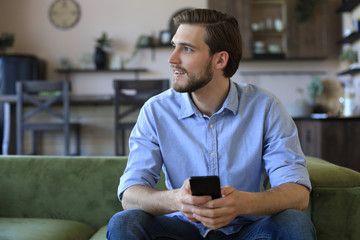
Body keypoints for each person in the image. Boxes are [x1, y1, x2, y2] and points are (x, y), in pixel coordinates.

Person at [107, 8, 316, 240]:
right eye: (174, 46)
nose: (172, 59)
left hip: (248, 231)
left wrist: (243, 203)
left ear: (220, 59)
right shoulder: (156, 111)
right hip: (183, 231)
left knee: (294, 223)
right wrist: (176, 199)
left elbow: (298, 194)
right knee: (124, 222)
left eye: (186, 49)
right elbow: (130, 195)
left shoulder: (266, 108)